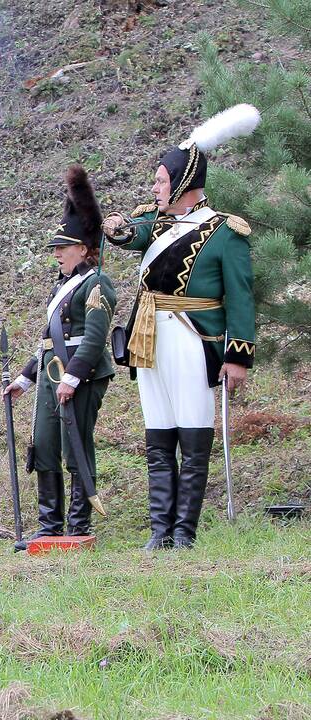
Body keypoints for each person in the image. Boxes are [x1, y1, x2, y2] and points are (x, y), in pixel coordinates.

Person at [102, 104, 259, 550]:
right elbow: (130, 234)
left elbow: (241, 300)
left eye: (161, 181)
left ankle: (184, 532)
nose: (154, 189)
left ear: (184, 183)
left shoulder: (226, 232)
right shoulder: (156, 223)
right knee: (158, 433)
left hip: (193, 338)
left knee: (192, 432)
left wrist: (237, 357)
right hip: (149, 336)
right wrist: (115, 226)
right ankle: (159, 530)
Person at [5, 166, 117, 551]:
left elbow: (95, 337)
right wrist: (25, 378)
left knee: (76, 447)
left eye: (63, 247)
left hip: (81, 377)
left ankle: (77, 525)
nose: (57, 254)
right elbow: (49, 342)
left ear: (83, 249)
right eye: (56, 248)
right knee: (47, 444)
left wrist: (73, 377)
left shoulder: (97, 284)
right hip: (54, 376)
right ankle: (49, 527)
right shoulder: (63, 287)